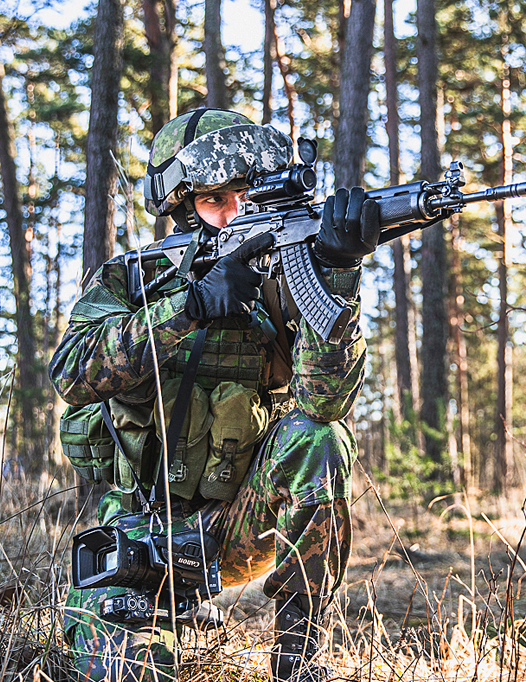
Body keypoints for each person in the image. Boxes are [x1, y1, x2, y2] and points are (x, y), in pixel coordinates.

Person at [49, 107, 379, 681]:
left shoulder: (285, 280)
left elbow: (324, 405)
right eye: (215, 200)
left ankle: (300, 660)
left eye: (247, 195)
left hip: (240, 524)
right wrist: (190, 306)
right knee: (129, 674)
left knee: (320, 438)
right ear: (182, 208)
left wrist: (338, 276)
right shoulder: (131, 279)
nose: (236, 212)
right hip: (144, 536)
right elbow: (72, 372)